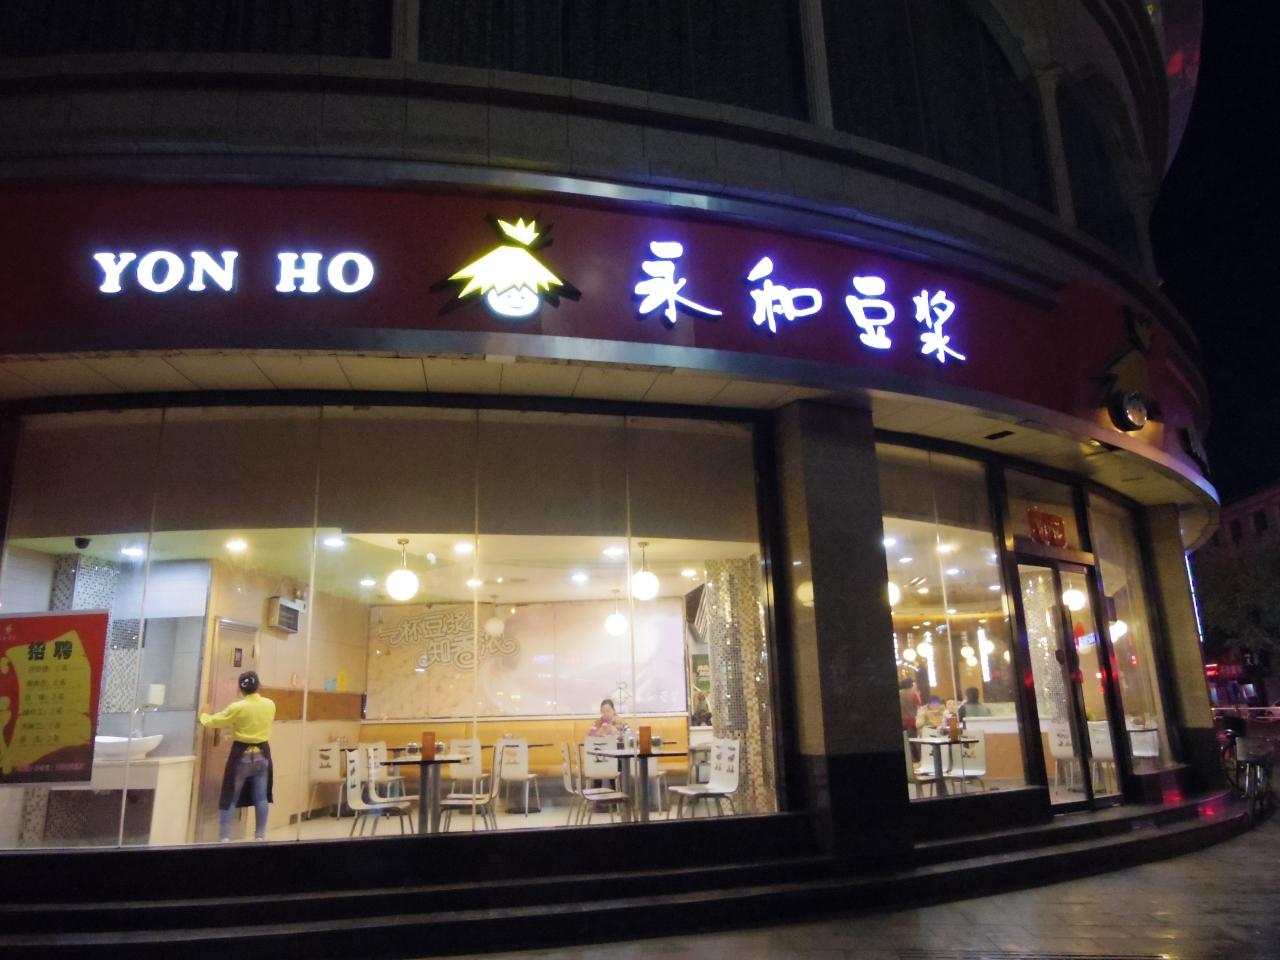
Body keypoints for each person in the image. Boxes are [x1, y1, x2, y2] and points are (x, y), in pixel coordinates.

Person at [200, 670, 276, 842]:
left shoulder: (237, 707)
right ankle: (260, 837)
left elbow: (216, 721)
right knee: (261, 798)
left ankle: (225, 838)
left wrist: (203, 715)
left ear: (240, 689)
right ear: (259, 686)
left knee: (231, 797)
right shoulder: (270, 704)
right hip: (263, 755)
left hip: (241, 756)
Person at [899, 678, 921, 760]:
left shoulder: (899, 693)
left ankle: (909, 758)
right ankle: (916, 758)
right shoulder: (912, 693)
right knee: (913, 740)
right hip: (911, 720)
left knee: (905, 740)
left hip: (902, 720)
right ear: (911, 684)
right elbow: (918, 706)